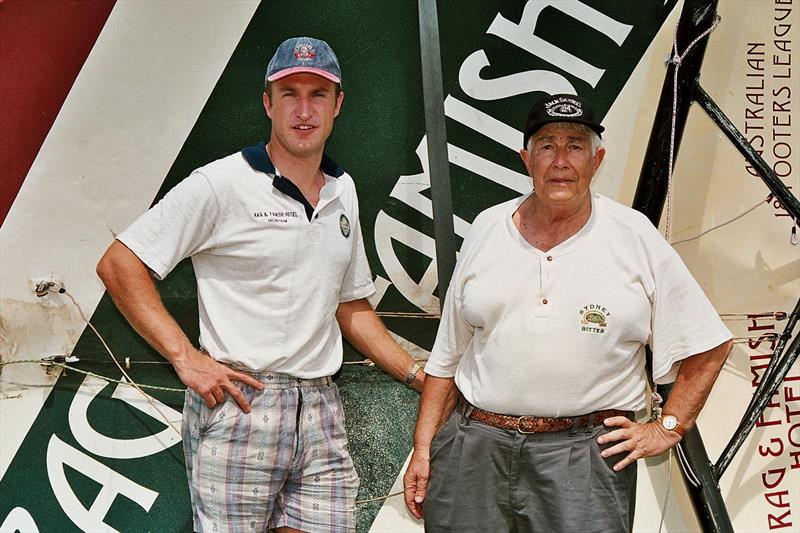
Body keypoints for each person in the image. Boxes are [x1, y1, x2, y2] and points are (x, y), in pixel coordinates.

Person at [97, 36, 425, 533]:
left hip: (320, 405)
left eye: (318, 94)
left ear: (339, 106)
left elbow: (350, 306)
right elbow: (120, 263)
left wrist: (420, 377)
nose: (304, 110)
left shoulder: (344, 189)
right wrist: (186, 358)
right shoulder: (222, 182)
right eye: (290, 93)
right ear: (268, 103)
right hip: (244, 400)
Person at [402, 93, 732, 532]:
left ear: (597, 160)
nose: (561, 161)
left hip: (584, 460)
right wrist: (424, 447)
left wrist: (667, 427)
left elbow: (708, 344)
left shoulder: (633, 235)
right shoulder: (486, 227)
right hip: (474, 449)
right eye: (547, 145)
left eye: (575, 145)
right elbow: (447, 358)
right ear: (526, 158)